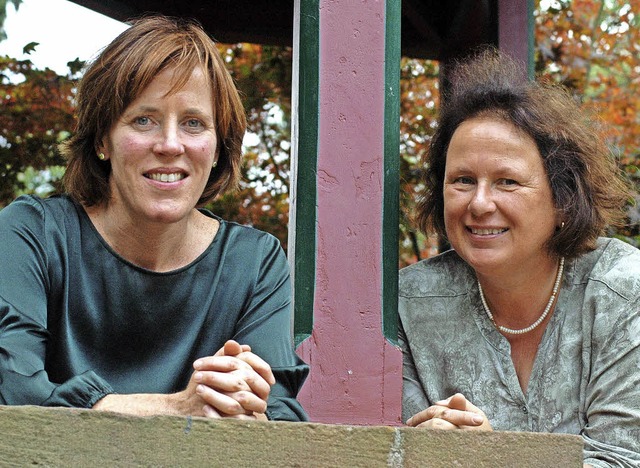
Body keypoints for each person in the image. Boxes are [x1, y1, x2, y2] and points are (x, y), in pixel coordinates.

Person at [0, 14, 308, 422]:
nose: (169, 144)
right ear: (101, 139)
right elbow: (14, 391)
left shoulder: (254, 264)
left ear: (218, 149)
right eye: (143, 119)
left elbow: (279, 418)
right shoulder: (32, 234)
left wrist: (245, 407)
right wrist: (175, 408)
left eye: (194, 123)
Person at [399, 47, 639, 466]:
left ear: (562, 199)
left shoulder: (622, 291)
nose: (479, 203)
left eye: (507, 182)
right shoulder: (408, 304)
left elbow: (624, 459)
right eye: (462, 180)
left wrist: (494, 457)